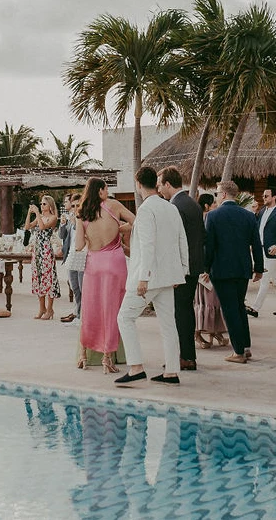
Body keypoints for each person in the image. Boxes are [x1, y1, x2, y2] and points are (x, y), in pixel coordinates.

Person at [115, 167, 189, 386]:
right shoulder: (170, 208)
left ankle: (136, 367)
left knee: (124, 317)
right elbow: (181, 240)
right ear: (155, 184)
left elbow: (148, 245)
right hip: (168, 276)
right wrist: (182, 270)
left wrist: (144, 278)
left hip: (150, 277)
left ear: (138, 184)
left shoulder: (147, 210)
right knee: (168, 324)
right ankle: (171, 371)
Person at [75, 178, 135, 372]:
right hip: (115, 263)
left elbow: (78, 246)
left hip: (93, 264)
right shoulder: (114, 205)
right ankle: (107, 358)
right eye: (106, 188)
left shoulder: (82, 212)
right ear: (100, 190)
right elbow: (135, 221)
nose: (108, 192)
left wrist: (87, 234)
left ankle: (83, 355)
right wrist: (119, 228)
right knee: (112, 310)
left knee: (90, 309)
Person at [204, 180, 264, 364]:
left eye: (217, 193)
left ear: (222, 194)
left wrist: (205, 268)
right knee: (239, 307)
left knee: (230, 310)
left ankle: (238, 351)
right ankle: (245, 347)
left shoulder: (213, 216)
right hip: (242, 268)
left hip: (222, 269)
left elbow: (210, 246)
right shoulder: (248, 216)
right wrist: (259, 268)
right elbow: (256, 243)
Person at [157, 165, 205, 371]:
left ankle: (185, 357)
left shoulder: (175, 206)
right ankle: (187, 355)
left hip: (181, 269)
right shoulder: (192, 203)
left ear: (168, 184)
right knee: (185, 311)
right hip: (193, 265)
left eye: (160, 185)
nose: (159, 189)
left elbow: (173, 240)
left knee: (180, 313)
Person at [193, 194, 229, 349]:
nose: (216, 204)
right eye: (213, 203)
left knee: (214, 301)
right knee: (204, 301)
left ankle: (215, 331)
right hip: (203, 268)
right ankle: (198, 334)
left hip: (213, 266)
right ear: (206, 206)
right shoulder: (202, 220)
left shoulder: (212, 218)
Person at [248, 186, 276, 317]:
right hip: (260, 249)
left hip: (271, 251)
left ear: (274, 197)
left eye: (266, 196)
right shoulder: (262, 211)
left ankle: (255, 308)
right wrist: (254, 213)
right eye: (263, 196)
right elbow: (256, 226)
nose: (263, 198)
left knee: (264, 280)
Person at [24, 195, 63, 320]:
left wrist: (37, 214)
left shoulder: (53, 218)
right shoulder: (40, 217)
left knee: (49, 277)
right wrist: (30, 213)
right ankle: (42, 308)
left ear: (50, 206)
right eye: (41, 204)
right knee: (39, 277)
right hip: (37, 250)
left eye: (44, 204)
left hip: (46, 250)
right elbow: (27, 227)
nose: (41, 206)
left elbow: (41, 227)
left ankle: (50, 309)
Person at [58, 194, 82, 324]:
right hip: (71, 256)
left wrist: (75, 223)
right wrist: (62, 224)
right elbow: (62, 235)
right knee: (74, 287)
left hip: (82, 256)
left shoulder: (84, 218)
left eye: (78, 205)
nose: (75, 208)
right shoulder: (69, 218)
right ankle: (77, 312)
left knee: (82, 287)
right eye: (73, 206)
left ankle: (80, 315)